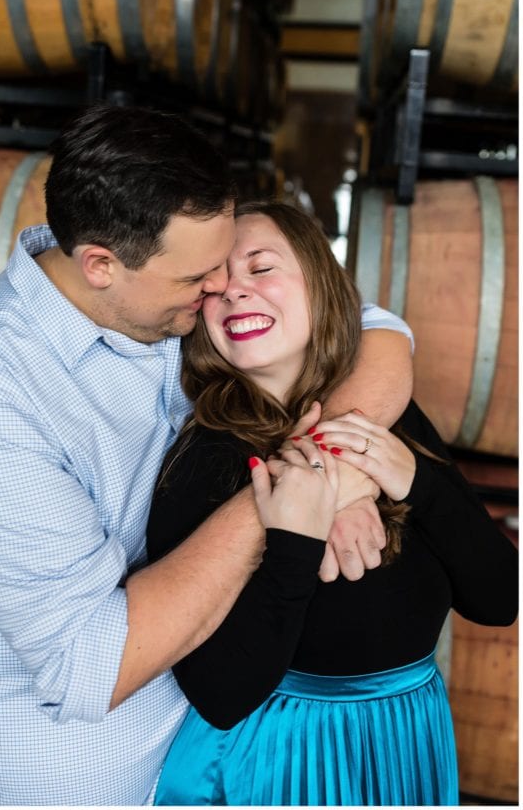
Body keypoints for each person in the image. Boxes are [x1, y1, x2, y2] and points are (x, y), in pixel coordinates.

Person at [0, 105, 415, 806]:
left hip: (197, 761)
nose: (223, 290)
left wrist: (334, 466)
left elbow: (369, 329)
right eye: (198, 279)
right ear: (100, 264)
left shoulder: (159, 296)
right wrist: (290, 497)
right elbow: (89, 666)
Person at [147, 200, 518, 807]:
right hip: (278, 759)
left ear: (320, 283)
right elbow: (220, 694)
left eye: (261, 268)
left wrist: (416, 481)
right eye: (215, 284)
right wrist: (295, 541)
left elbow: (500, 599)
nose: (235, 292)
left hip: (408, 739)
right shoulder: (205, 462)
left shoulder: (390, 418)